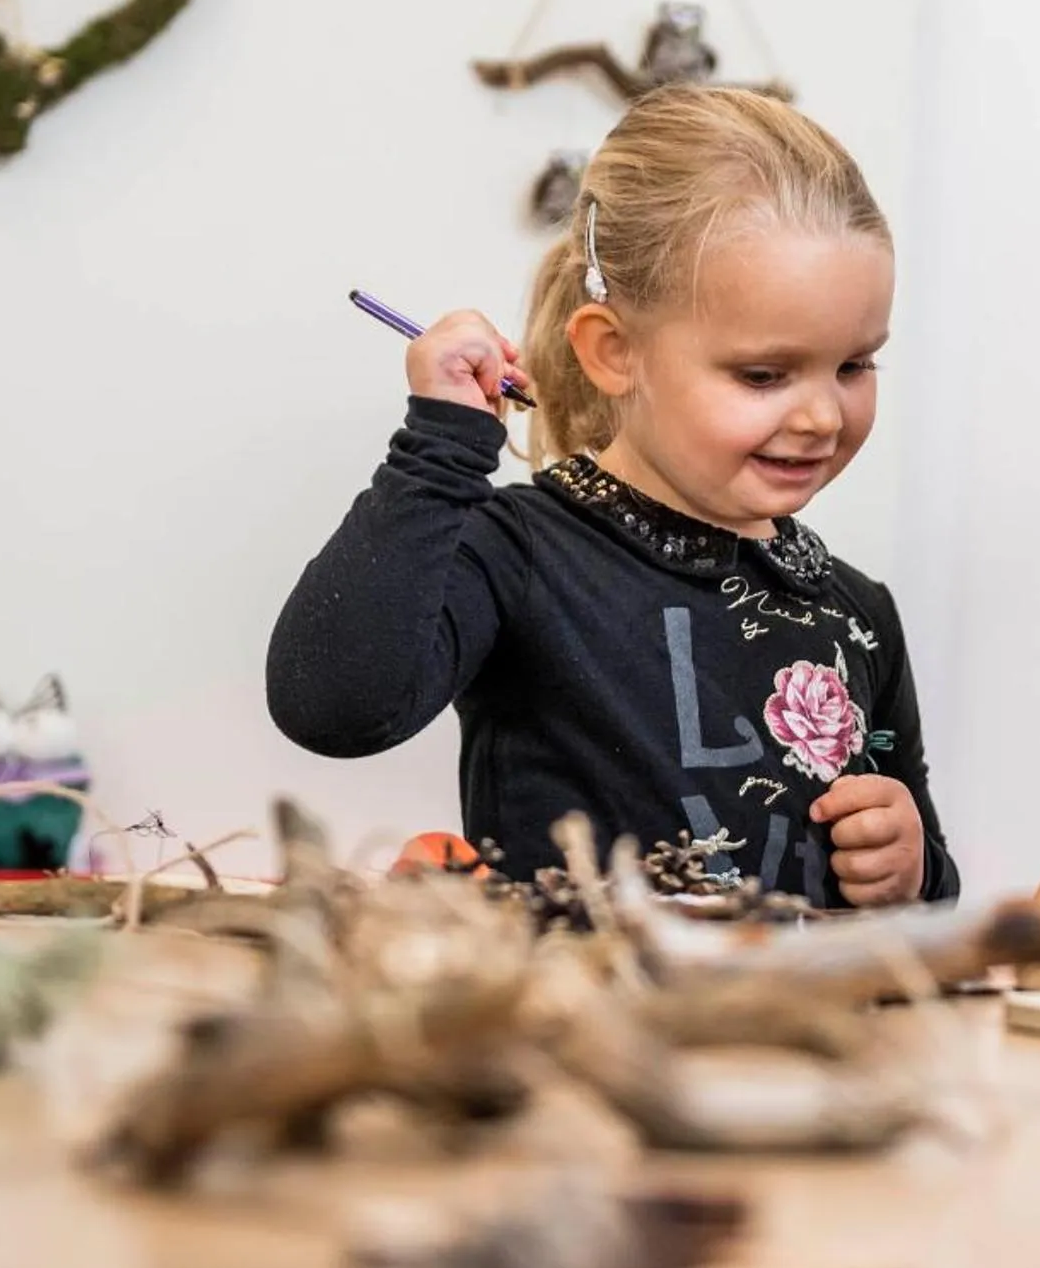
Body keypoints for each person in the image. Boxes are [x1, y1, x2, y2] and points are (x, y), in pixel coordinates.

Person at [268, 85, 958, 907]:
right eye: (763, 374)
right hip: (571, 996)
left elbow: (932, 905)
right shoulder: (521, 552)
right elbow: (332, 705)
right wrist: (439, 449)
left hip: (789, 998)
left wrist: (915, 867)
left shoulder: (858, 612)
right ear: (613, 351)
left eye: (853, 365)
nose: (821, 416)